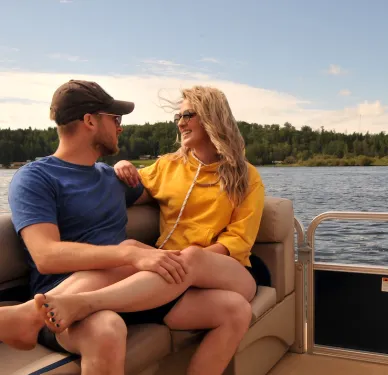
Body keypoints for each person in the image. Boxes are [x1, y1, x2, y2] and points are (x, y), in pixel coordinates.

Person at [0, 80, 263, 375]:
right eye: (115, 119)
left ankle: (39, 313)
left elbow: (174, 193)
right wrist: (131, 255)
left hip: (142, 282)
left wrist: (124, 172)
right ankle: (41, 312)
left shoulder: (112, 179)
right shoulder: (35, 178)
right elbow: (46, 256)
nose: (121, 128)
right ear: (89, 121)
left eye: (186, 116)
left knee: (230, 304)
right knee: (109, 322)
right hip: (63, 294)